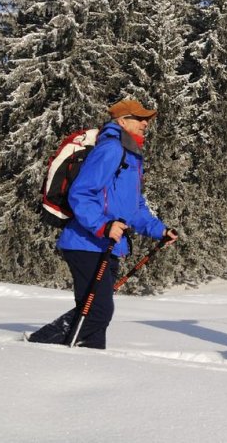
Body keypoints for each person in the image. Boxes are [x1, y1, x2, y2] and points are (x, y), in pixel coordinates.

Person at [27, 98, 176, 348]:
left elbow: (134, 206)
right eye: (139, 118)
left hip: (108, 244)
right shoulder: (111, 149)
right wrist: (103, 226)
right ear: (122, 121)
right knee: (97, 311)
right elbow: (80, 193)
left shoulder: (132, 155)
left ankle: (92, 366)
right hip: (87, 243)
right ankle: (38, 345)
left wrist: (159, 230)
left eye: (146, 119)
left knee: (97, 315)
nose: (145, 123)